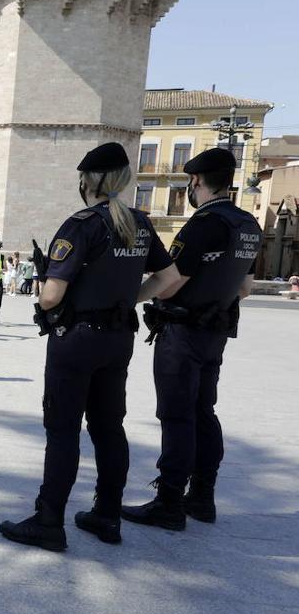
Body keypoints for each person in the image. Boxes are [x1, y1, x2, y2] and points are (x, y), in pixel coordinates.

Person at [0, 142, 178, 551]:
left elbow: (51, 296)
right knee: (108, 427)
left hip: (76, 340)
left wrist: (47, 285)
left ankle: (49, 520)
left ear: (89, 181)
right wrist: (126, 298)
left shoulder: (81, 223)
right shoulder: (140, 223)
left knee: (62, 430)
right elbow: (170, 279)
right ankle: (107, 515)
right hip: (118, 339)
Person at [122, 147, 264, 531]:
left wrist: (126, 299)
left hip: (183, 332)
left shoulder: (203, 224)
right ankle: (202, 496)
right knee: (203, 411)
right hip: (215, 331)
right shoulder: (248, 224)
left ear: (196, 181)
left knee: (176, 414)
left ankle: (168, 500)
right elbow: (246, 287)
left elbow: (169, 284)